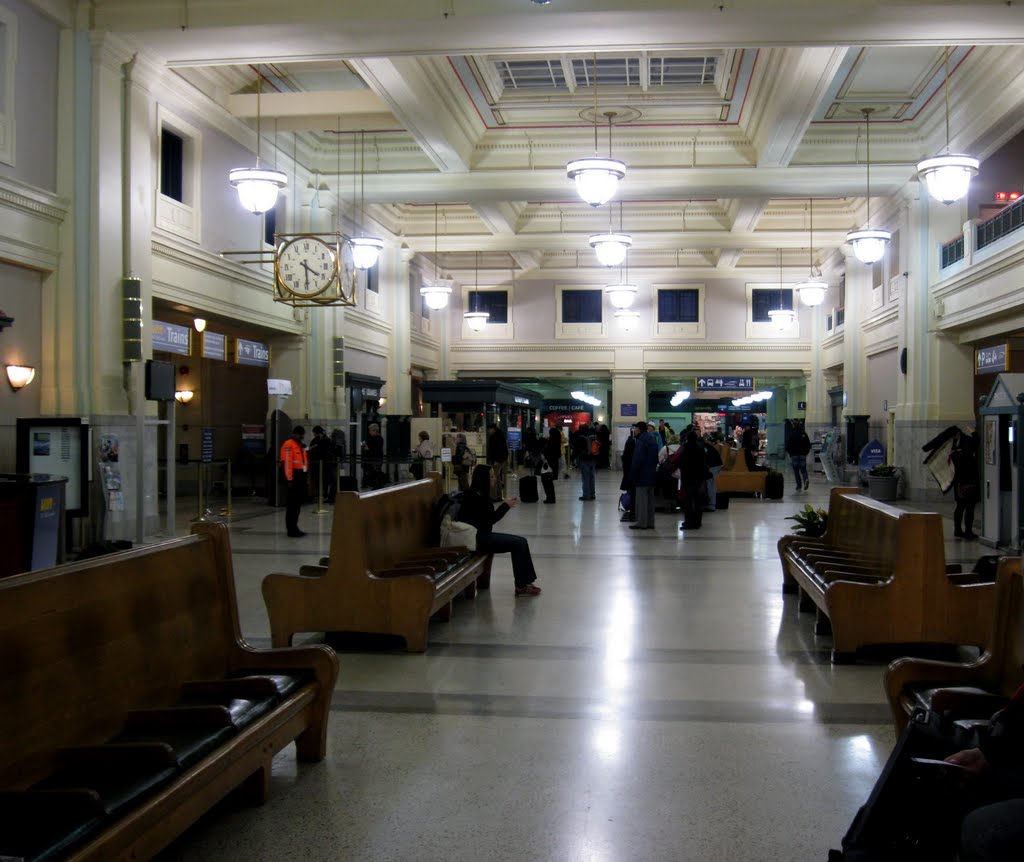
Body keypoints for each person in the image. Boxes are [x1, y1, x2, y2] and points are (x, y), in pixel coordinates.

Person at [459, 464, 541, 597]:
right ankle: (521, 586)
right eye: (491, 476)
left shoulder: (479, 493)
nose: (494, 479)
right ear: (483, 478)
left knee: (521, 542)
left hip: (480, 535)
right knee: (518, 543)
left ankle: (525, 583)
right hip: (477, 539)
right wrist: (505, 506)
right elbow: (489, 520)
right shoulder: (475, 497)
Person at [629, 420, 659, 530]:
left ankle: (642, 523)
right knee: (650, 501)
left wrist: (633, 474)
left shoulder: (641, 441)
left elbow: (637, 459)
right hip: (651, 474)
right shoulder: (652, 439)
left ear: (639, 429)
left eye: (635, 429)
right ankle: (650, 522)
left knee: (641, 501)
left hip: (642, 475)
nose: (634, 431)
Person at [951, 429, 980, 540]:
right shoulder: (967, 455)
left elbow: (973, 444)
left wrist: (955, 439)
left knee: (959, 507)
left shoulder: (955, 453)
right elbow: (975, 443)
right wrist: (974, 432)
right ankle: (968, 531)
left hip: (958, 484)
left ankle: (957, 530)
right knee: (969, 508)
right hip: (969, 484)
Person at [280, 425, 308, 537]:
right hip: (293, 478)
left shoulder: (301, 446)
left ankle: (295, 527)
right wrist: (289, 479)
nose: (301, 437)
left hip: (301, 476)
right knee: (292, 505)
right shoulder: (288, 445)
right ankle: (291, 529)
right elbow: (287, 463)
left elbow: (304, 462)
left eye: (302, 435)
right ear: (294, 434)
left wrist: (306, 476)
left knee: (297, 505)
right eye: (300, 434)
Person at [677, 430, 708, 531]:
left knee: (688, 501)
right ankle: (697, 522)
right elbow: (704, 463)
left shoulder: (685, 448)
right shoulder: (700, 448)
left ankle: (689, 522)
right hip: (698, 478)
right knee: (698, 500)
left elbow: (679, 462)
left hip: (687, 477)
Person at [306, 425, 336, 504]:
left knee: (322, 480)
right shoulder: (325, 439)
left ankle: (322, 495)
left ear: (317, 433)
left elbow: (314, 450)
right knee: (324, 480)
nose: (314, 435)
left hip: (321, 464)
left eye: (314, 433)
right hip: (323, 463)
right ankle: (323, 495)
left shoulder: (322, 440)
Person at [786, 420, 812, 492]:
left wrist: (791, 454)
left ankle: (799, 485)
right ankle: (806, 479)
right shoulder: (804, 434)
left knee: (796, 471)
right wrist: (805, 453)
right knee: (803, 470)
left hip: (794, 455)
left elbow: (788, 446)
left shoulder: (792, 434)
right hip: (802, 455)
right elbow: (808, 445)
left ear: (794, 426)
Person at [574, 422, 597, 500]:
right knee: (592, 477)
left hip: (584, 459)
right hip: (592, 459)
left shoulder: (580, 438)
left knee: (585, 478)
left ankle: (586, 495)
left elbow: (576, 450)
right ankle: (592, 494)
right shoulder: (593, 437)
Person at [486, 424, 509, 501]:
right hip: (499, 459)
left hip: (498, 460)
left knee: (493, 477)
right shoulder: (498, 435)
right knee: (497, 477)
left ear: (493, 429)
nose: (488, 431)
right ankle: (499, 495)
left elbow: (499, 449)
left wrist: (497, 460)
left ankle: (493, 496)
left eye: (489, 429)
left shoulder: (497, 437)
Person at [702, 433, 724, 512]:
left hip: (713, 465)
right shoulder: (705, 445)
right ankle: (708, 504)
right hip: (715, 464)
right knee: (709, 484)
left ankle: (711, 505)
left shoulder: (702, 446)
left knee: (710, 484)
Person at [620, 425, 637, 522]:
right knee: (632, 490)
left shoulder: (630, 440)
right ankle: (631, 506)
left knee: (630, 490)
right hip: (631, 471)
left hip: (629, 471)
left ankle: (631, 506)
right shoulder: (632, 441)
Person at [361, 422, 385, 489]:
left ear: (374, 430)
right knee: (374, 472)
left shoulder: (378, 438)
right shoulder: (374, 438)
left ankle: (378, 485)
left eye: (370, 430)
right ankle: (376, 485)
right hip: (374, 459)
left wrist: (367, 448)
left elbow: (375, 449)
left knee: (375, 472)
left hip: (376, 459)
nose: (369, 432)